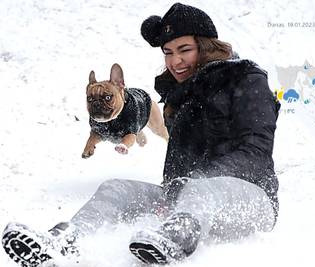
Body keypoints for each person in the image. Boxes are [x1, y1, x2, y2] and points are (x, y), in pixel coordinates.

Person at [1, 2, 281, 266]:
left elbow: (255, 152)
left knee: (200, 190)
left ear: (206, 47)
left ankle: (174, 242)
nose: (176, 61)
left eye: (184, 49)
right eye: (168, 52)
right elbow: (180, 162)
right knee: (115, 188)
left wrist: (193, 183)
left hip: (251, 200)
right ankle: (64, 242)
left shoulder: (246, 80)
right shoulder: (180, 96)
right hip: (187, 199)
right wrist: (175, 191)